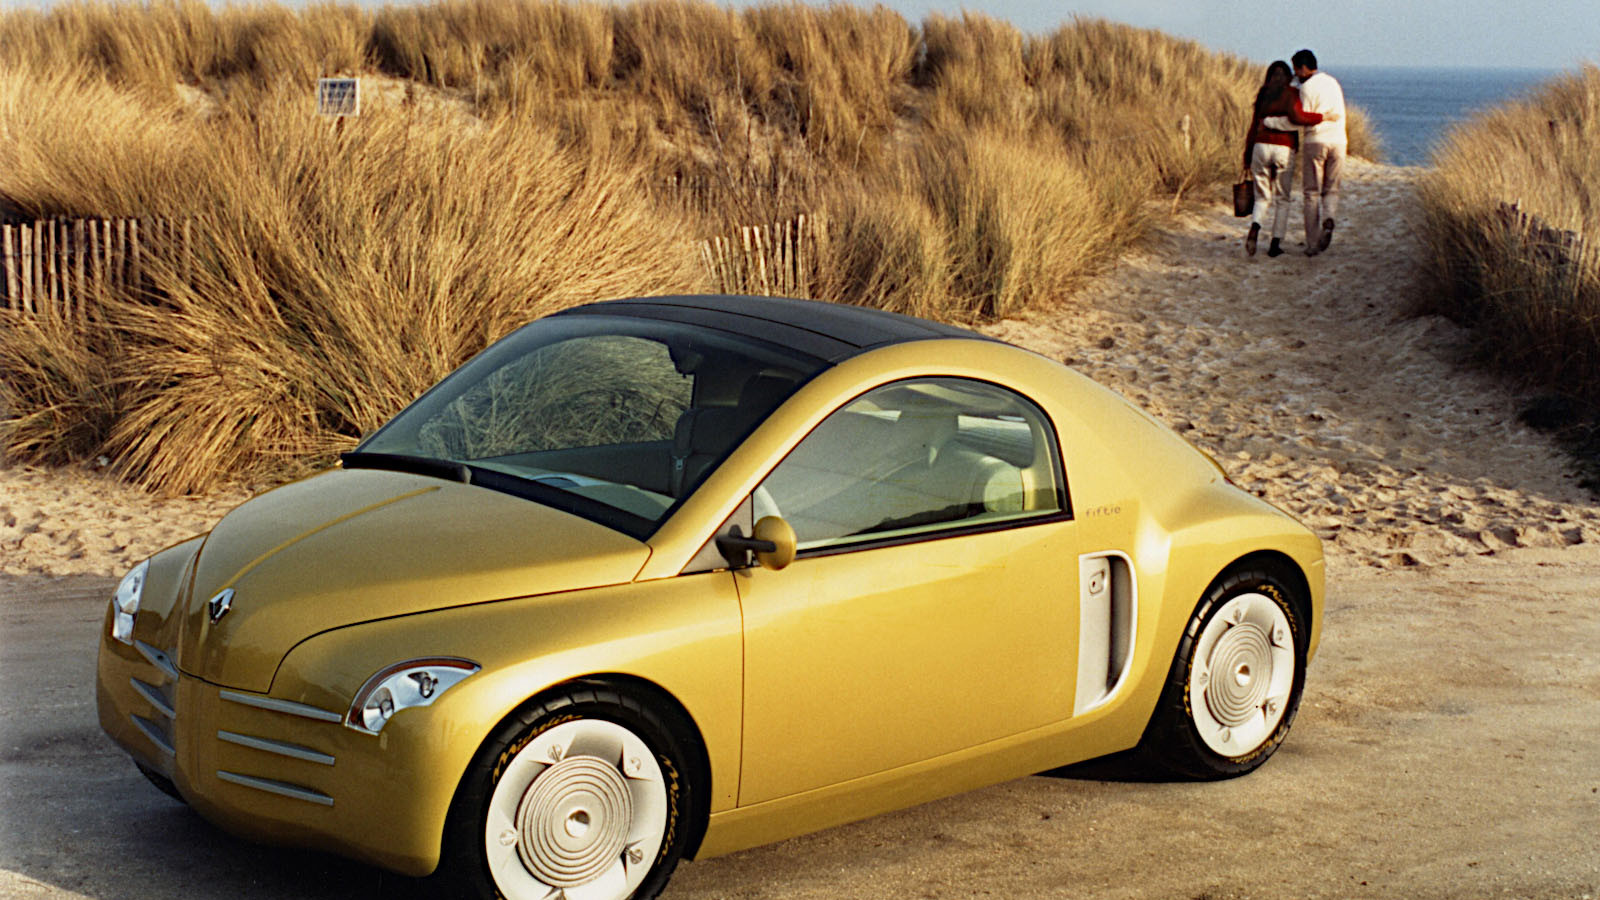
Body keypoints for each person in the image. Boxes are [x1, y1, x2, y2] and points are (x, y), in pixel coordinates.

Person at [1242, 60, 1328, 257]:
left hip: (1260, 146)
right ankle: (1275, 244)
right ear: (1289, 76)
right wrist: (1320, 117)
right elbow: (1297, 117)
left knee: (1262, 196)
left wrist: (1247, 154)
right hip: (1283, 148)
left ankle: (1255, 228)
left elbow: (1254, 125)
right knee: (1283, 198)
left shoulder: (1263, 95)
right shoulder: (1291, 93)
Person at [1287, 48, 1347, 256]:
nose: (1295, 73)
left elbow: (1303, 116)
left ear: (1304, 68)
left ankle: (1312, 242)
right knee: (1331, 189)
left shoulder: (1306, 89)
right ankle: (1329, 218)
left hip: (1316, 140)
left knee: (1311, 192)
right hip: (1339, 141)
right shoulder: (1333, 82)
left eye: (1296, 69)